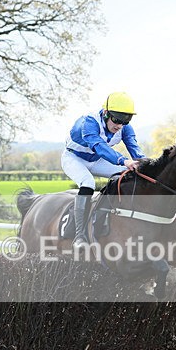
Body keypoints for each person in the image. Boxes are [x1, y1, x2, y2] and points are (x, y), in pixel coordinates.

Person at [62, 92, 145, 247]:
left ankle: (108, 220)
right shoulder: (89, 122)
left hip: (97, 160)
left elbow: (135, 149)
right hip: (74, 159)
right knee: (88, 183)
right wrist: (123, 160)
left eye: (125, 121)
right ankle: (79, 236)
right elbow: (99, 146)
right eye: (116, 119)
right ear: (106, 113)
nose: (120, 125)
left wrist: (148, 164)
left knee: (126, 175)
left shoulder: (124, 128)